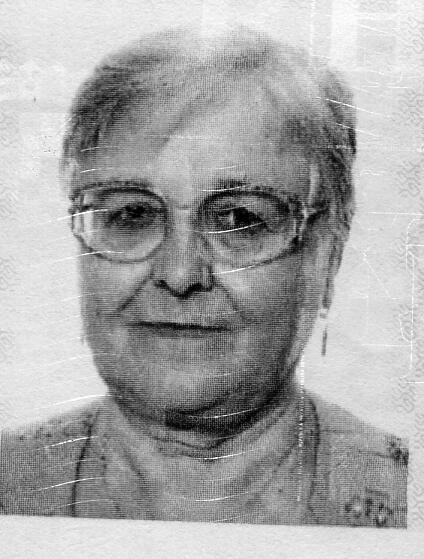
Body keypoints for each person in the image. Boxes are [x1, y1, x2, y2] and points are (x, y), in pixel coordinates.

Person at [0, 27, 407, 527]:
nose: (179, 274)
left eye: (239, 219)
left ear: (327, 256)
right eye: (131, 214)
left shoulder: (403, 498)